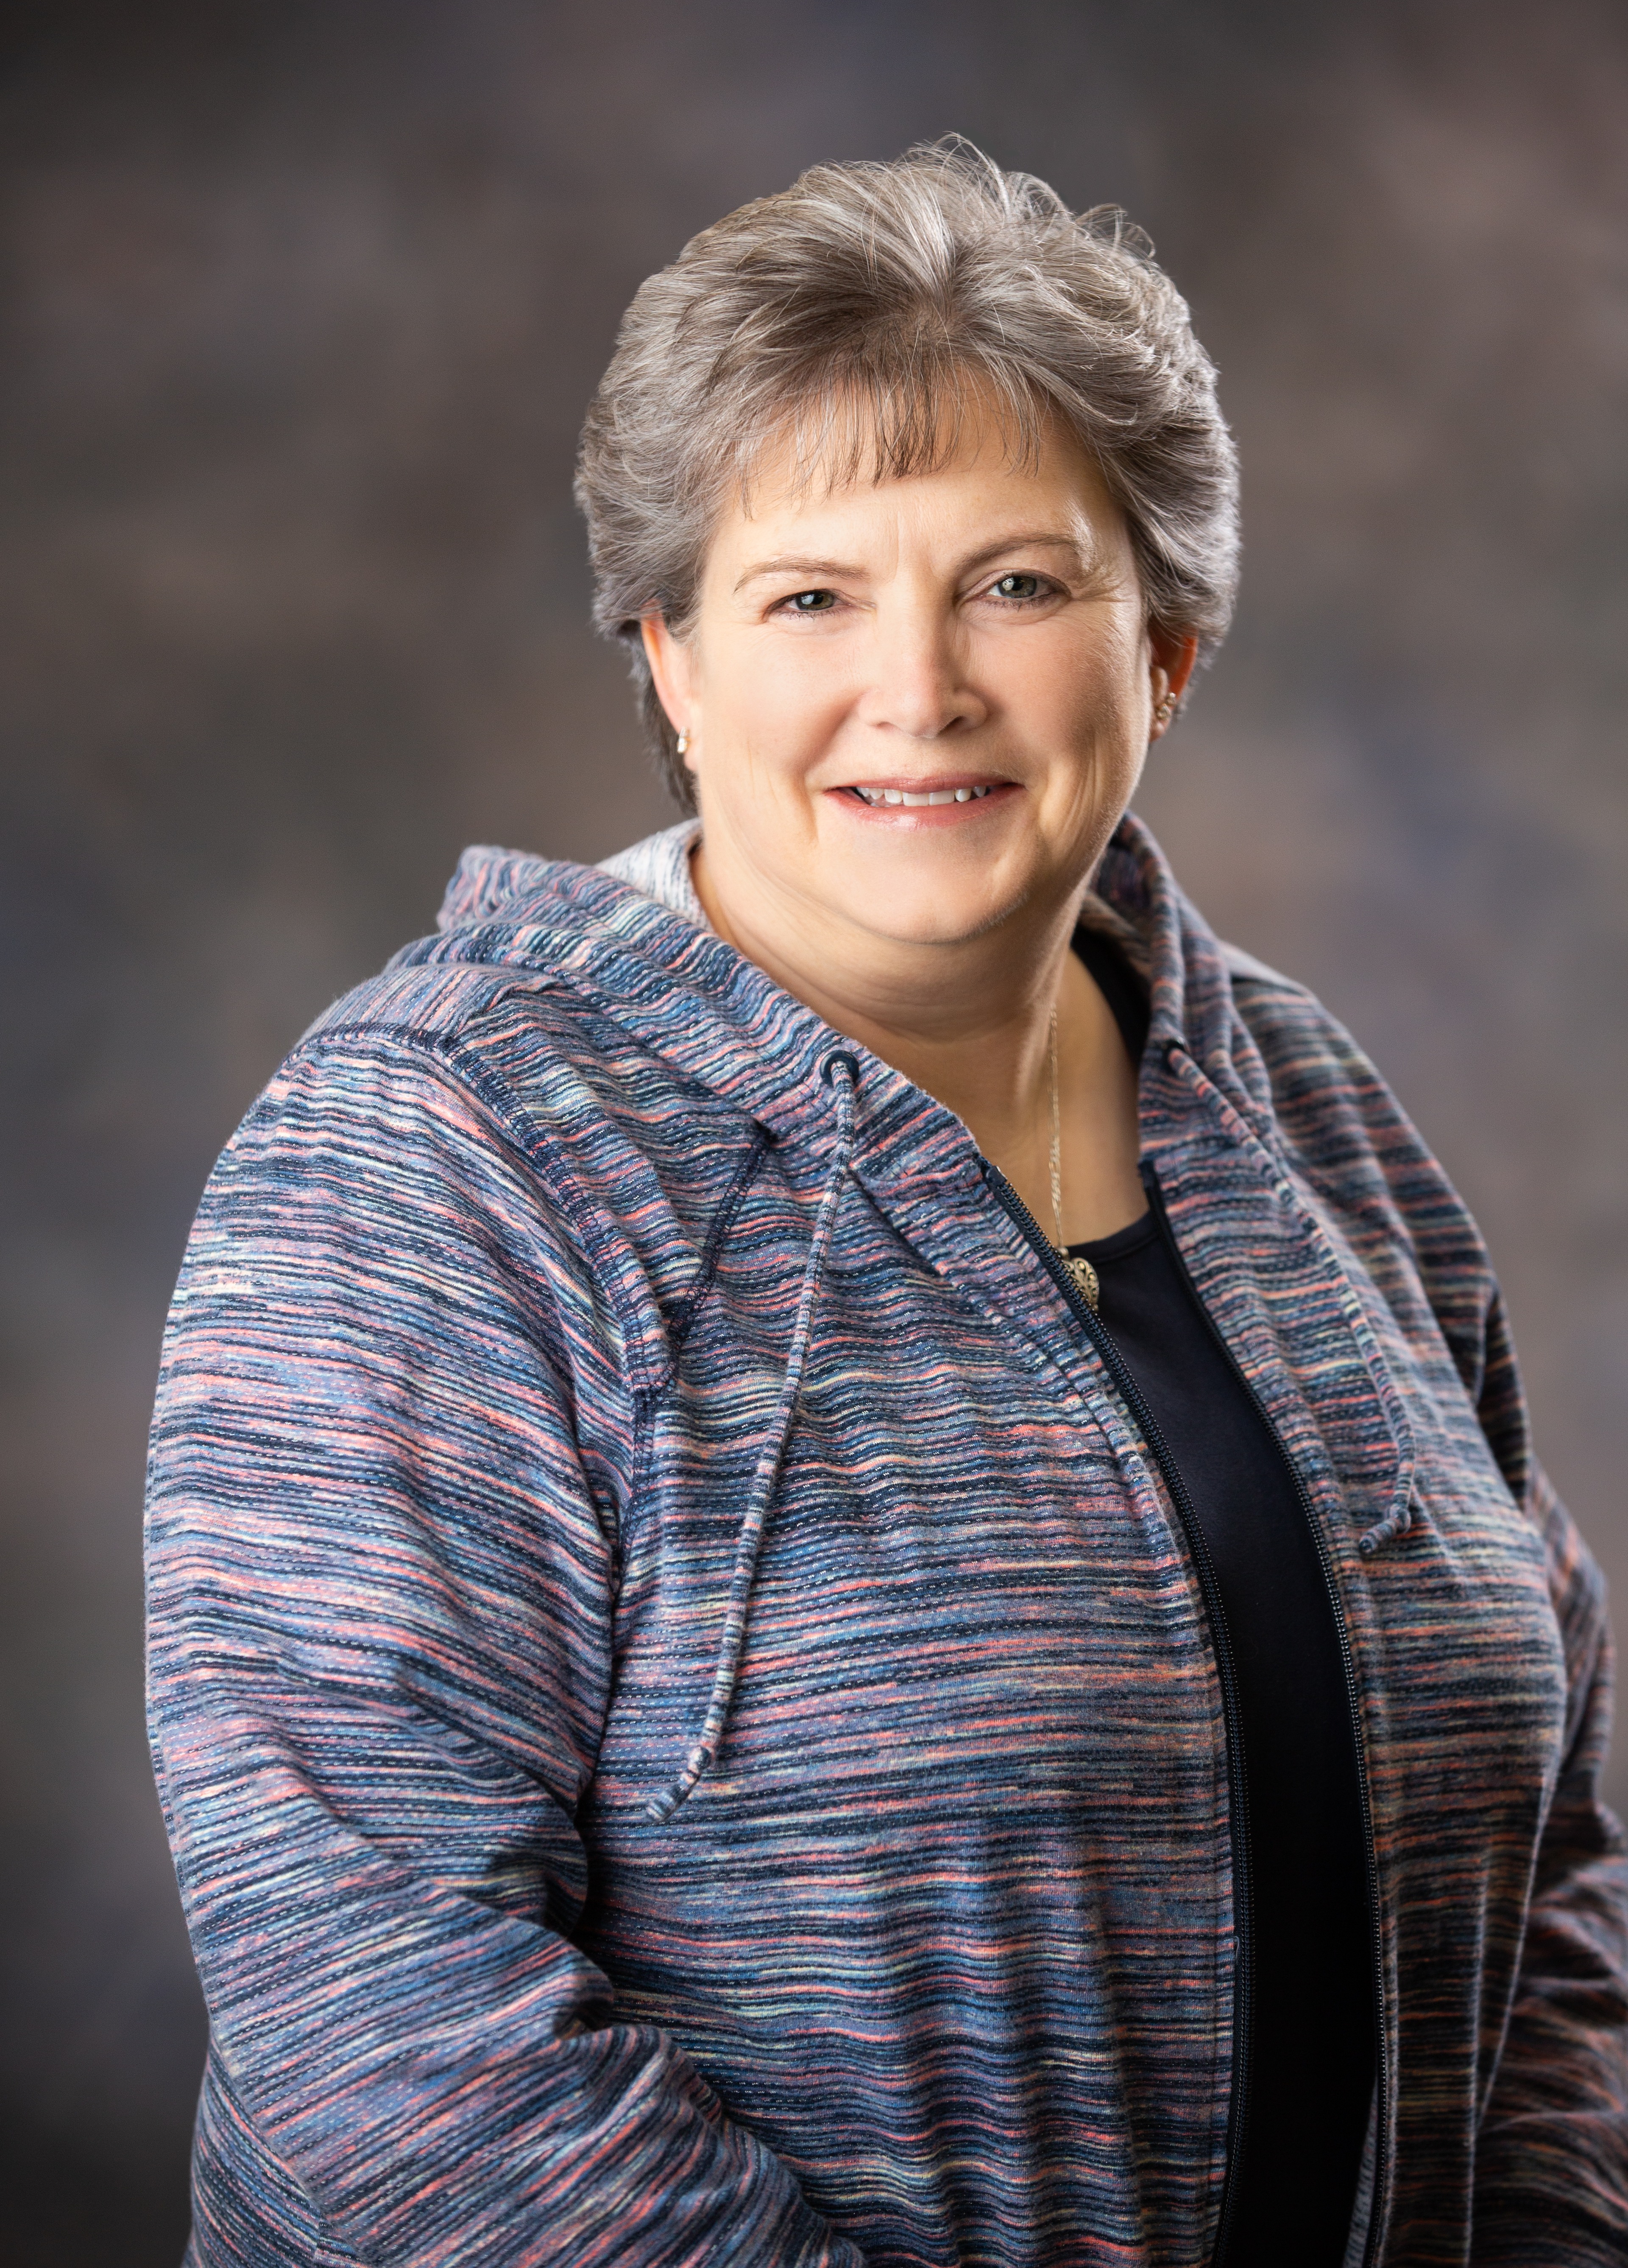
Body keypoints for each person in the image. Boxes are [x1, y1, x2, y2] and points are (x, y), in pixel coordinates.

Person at [146, 142, 1627, 2268]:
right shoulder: (437, 1160)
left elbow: (1551, 1823)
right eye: (809, 596)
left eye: (1018, 585)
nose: (920, 689)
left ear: (1171, 649)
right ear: (669, 658)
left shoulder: (1308, 1106)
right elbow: (373, 2013)